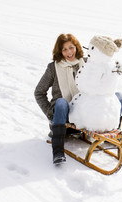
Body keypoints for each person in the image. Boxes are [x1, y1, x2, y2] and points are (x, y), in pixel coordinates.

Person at [35, 33, 85, 164]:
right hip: (62, 115)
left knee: (118, 96)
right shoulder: (53, 68)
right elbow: (39, 92)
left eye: (71, 47)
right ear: (60, 51)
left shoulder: (85, 64)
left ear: (77, 47)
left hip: (82, 113)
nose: (69, 52)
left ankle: (116, 139)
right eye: (64, 49)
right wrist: (51, 115)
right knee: (62, 102)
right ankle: (58, 152)